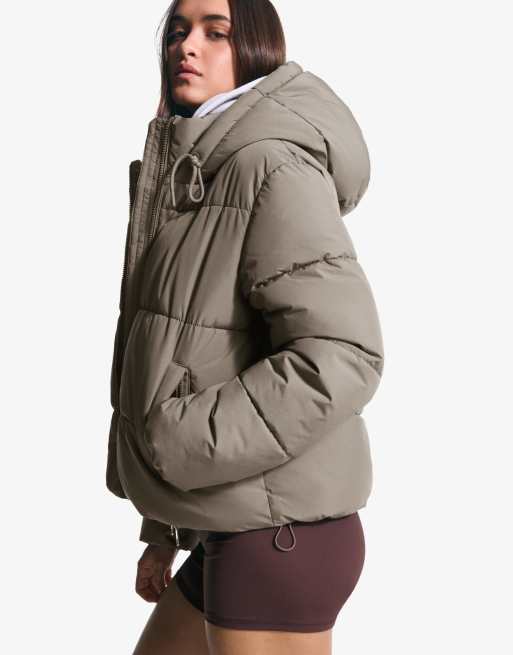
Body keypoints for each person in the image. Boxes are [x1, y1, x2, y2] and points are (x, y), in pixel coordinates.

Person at [106, 1, 385, 653]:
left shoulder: (270, 167)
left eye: (216, 32)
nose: (187, 46)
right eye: (178, 31)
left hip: (280, 531)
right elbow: (187, 352)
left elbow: (342, 353)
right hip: (230, 522)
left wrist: (177, 439)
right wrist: (164, 531)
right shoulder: (194, 175)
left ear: (257, 50)